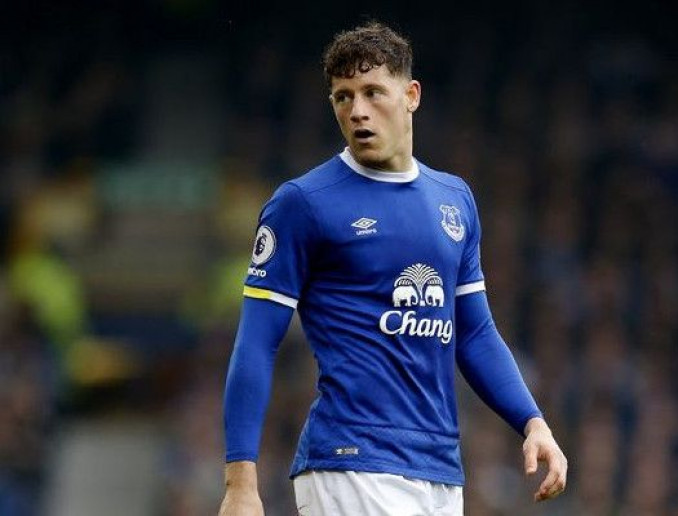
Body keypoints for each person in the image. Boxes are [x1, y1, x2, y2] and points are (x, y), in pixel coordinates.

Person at [218, 20, 567, 516]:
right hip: (351, 461)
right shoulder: (303, 204)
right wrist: (240, 482)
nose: (357, 111)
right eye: (342, 97)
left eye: (372, 92)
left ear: (411, 95)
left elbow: (474, 334)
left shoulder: (454, 200)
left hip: (439, 470)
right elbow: (256, 342)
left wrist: (533, 422)